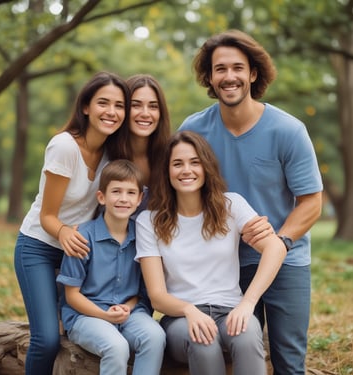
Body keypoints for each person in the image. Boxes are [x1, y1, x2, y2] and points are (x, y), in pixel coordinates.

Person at [179, 29, 323, 375]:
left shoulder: (287, 130)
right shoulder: (194, 131)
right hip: (222, 265)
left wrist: (281, 240)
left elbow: (311, 201)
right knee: (234, 356)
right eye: (220, 69)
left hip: (286, 263)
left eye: (238, 68)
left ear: (253, 74)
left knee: (289, 361)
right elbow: (177, 190)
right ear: (210, 78)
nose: (229, 76)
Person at [135, 131, 287, 375]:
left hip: (230, 311)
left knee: (247, 336)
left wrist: (248, 303)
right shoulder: (149, 221)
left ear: (206, 167)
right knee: (202, 340)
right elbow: (157, 296)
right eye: (177, 164)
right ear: (166, 171)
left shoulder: (231, 205)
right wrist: (189, 311)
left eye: (195, 162)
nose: (187, 170)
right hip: (180, 319)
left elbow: (276, 247)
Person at [14, 71, 130, 375]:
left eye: (119, 106)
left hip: (78, 255)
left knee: (74, 334)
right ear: (86, 107)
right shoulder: (64, 147)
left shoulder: (112, 154)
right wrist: (65, 232)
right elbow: (47, 216)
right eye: (103, 103)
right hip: (39, 247)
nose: (112, 112)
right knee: (47, 338)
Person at [56, 159, 166, 375]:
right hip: (86, 315)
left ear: (140, 199)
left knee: (155, 337)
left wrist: (128, 307)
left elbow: (142, 292)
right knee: (116, 347)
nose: (123, 199)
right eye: (116, 191)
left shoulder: (143, 236)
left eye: (130, 193)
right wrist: (105, 316)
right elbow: (72, 296)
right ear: (101, 197)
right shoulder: (82, 237)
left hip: (130, 312)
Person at [111, 73, 171, 191]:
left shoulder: (170, 157)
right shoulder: (106, 155)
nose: (145, 113)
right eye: (135, 105)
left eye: (153, 106)